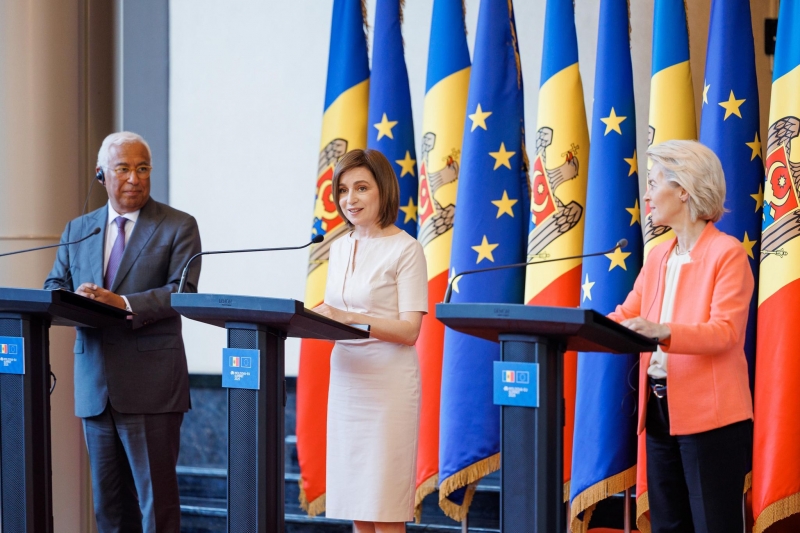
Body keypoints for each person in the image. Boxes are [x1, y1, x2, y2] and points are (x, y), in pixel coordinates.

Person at [44, 131, 202, 532]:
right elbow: (53, 286)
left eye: (143, 168)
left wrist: (123, 303)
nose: (135, 178)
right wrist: (77, 298)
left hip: (152, 386)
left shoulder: (177, 225)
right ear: (101, 174)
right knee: (110, 509)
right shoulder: (79, 229)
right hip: (96, 387)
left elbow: (183, 292)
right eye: (124, 169)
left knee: (156, 507)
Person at [608, 140, 754, 533]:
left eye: (654, 183)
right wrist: (573, 324)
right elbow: (624, 316)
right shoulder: (657, 255)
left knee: (713, 525)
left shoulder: (727, 254)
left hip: (712, 417)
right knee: (667, 525)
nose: (647, 195)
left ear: (684, 190)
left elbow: (725, 332)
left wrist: (663, 332)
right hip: (658, 410)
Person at [313, 149, 428, 533]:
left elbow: (409, 330)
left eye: (361, 188)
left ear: (383, 190)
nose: (351, 199)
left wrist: (350, 317)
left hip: (387, 384)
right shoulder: (339, 246)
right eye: (343, 190)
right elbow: (334, 311)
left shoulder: (406, 249)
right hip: (347, 379)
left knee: (384, 503)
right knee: (357, 503)